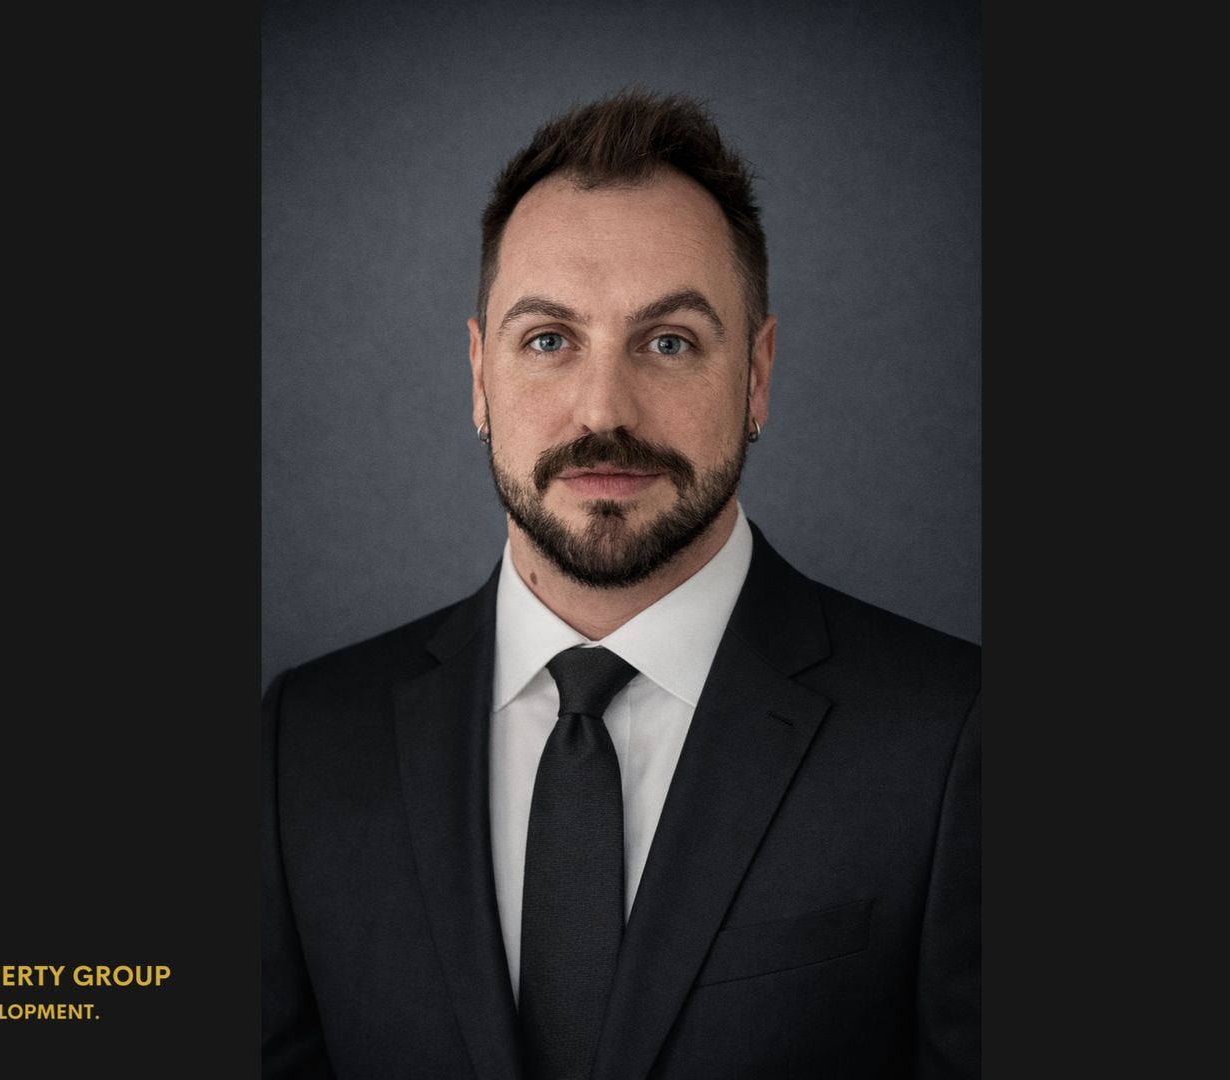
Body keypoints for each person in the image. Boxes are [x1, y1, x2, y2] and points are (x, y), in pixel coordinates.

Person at [262, 88, 979, 1079]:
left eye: (670, 341)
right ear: (479, 375)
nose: (604, 409)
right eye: (549, 340)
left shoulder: (951, 736)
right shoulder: (305, 740)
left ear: (758, 374)